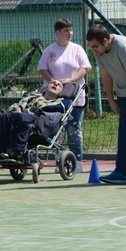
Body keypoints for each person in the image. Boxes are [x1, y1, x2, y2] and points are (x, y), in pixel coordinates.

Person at [37, 19, 91, 172]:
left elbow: (85, 68)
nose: (70, 33)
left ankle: (77, 161)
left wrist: (70, 81)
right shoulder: (50, 51)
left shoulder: (77, 49)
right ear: (58, 33)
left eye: (71, 30)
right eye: (66, 31)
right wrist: (52, 81)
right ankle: (60, 162)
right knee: (57, 131)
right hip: (55, 98)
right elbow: (42, 69)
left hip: (75, 97)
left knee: (74, 130)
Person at [85, 25, 126, 185]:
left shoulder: (124, 47)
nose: (93, 50)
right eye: (90, 47)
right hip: (124, 91)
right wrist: (111, 99)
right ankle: (121, 173)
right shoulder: (100, 51)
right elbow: (105, 74)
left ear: (105, 41)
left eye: (95, 46)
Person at [0, 79, 70, 159]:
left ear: (61, 92)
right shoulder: (34, 96)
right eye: (52, 83)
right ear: (46, 87)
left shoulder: (60, 102)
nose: (55, 84)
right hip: (22, 115)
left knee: (22, 118)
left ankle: (18, 151)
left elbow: (64, 108)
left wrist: (39, 106)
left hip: (40, 119)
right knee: (4, 116)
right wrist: (18, 108)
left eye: (59, 85)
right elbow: (19, 104)